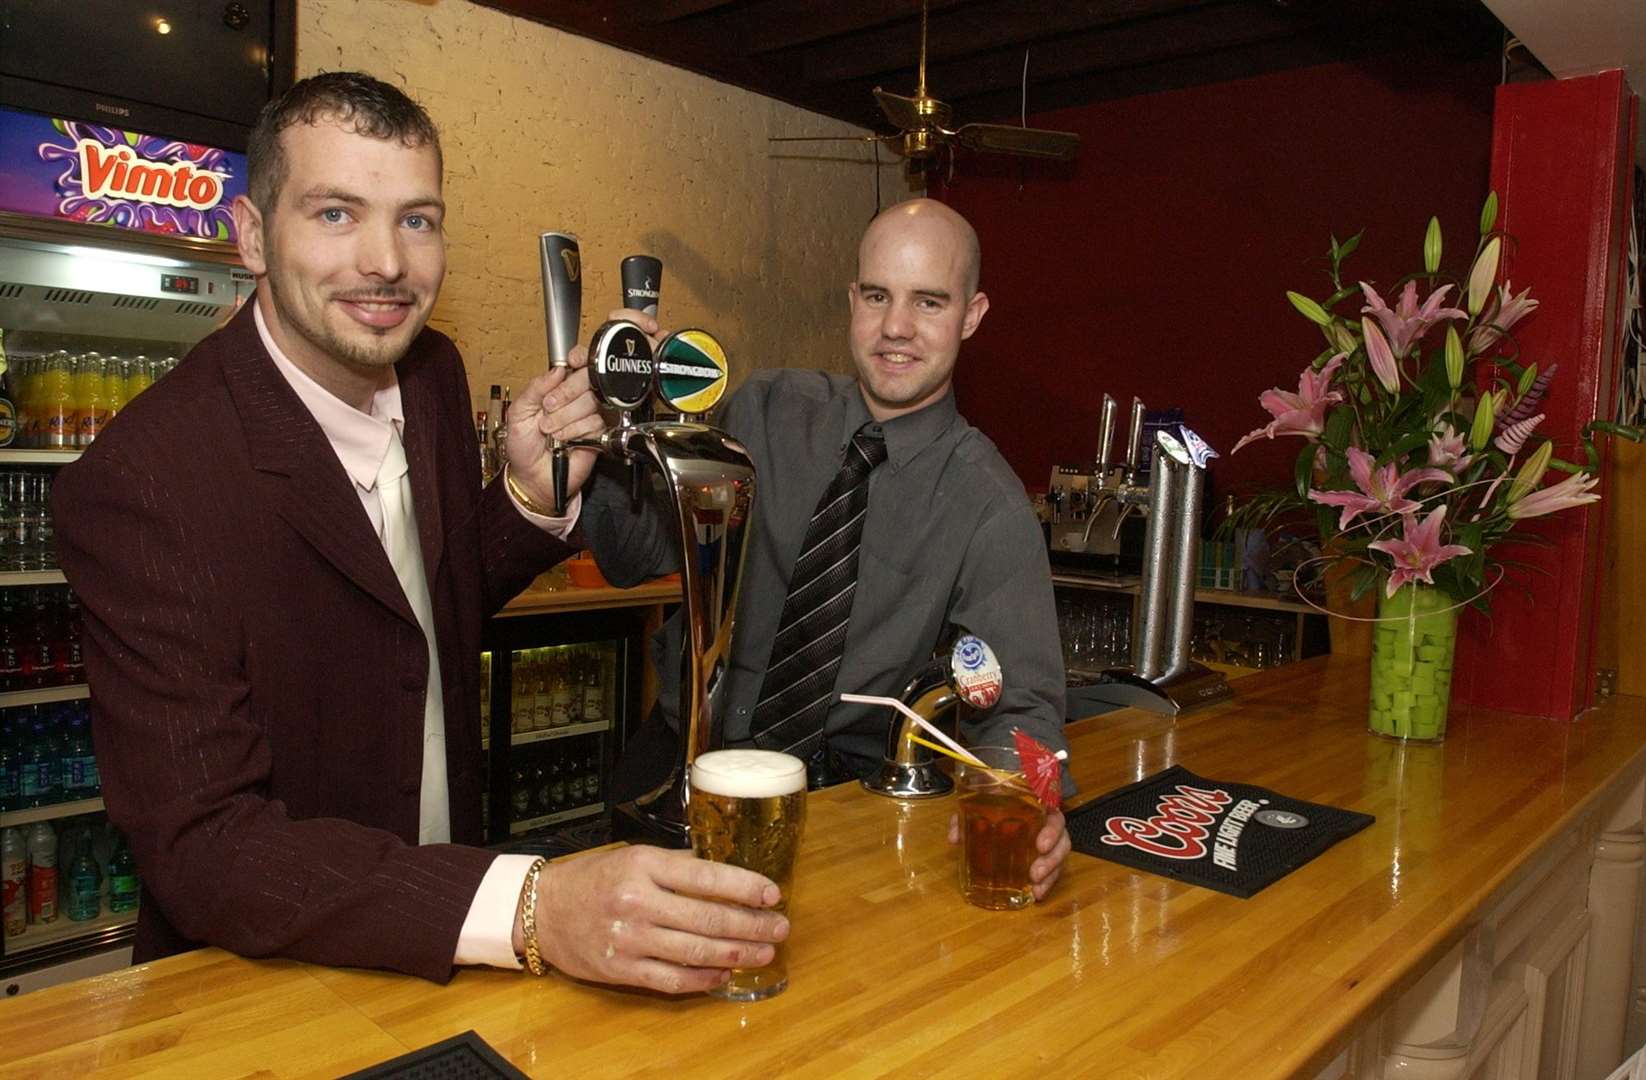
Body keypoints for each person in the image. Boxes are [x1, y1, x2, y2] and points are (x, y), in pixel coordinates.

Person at [52, 71, 787, 992]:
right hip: (258, 986)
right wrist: (531, 908)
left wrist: (526, 493)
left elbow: (421, 617)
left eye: (417, 219)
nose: (387, 263)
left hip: (440, 940)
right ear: (249, 236)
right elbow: (205, 849)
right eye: (334, 214)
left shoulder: (431, 373)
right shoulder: (142, 479)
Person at [582, 198, 1073, 898]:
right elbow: (632, 556)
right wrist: (616, 414)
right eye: (877, 296)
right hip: (677, 774)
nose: (895, 328)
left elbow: (1018, 704)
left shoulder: (988, 504)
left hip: (838, 807)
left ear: (972, 315)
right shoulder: (764, 410)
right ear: (853, 299)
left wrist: (1030, 800)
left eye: (929, 303)